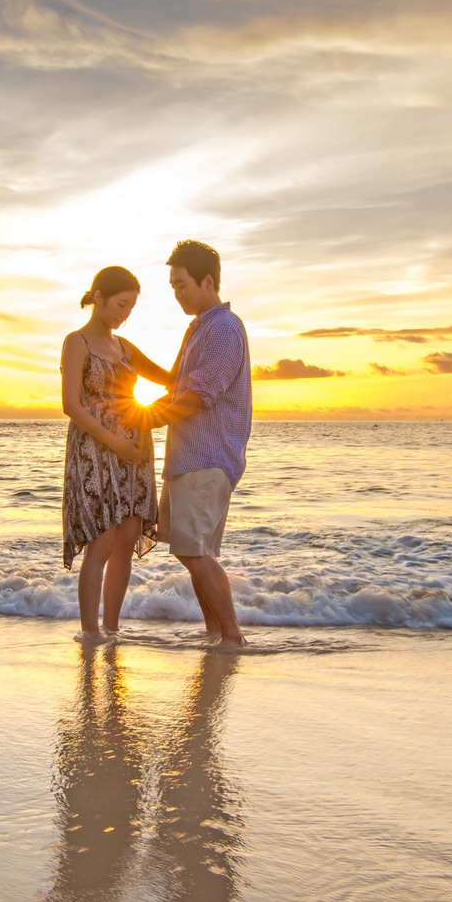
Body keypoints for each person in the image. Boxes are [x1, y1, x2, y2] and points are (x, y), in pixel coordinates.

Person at [130, 240, 252, 646]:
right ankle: (216, 634)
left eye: (182, 285)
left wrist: (149, 419)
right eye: (172, 286)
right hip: (189, 459)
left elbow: (199, 394)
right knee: (192, 552)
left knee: (195, 553)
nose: (176, 293)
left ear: (207, 281)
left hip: (207, 457)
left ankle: (232, 636)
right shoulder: (201, 327)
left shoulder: (223, 329)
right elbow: (180, 388)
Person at [61, 265, 174, 637]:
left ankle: (111, 629)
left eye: (131, 308)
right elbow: (72, 406)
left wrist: (154, 416)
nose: (125, 314)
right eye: (121, 305)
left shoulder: (125, 347)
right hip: (94, 450)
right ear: (98, 298)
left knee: (126, 541)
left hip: (133, 450)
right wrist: (116, 443)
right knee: (102, 541)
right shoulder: (77, 342)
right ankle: (90, 633)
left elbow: (171, 379)